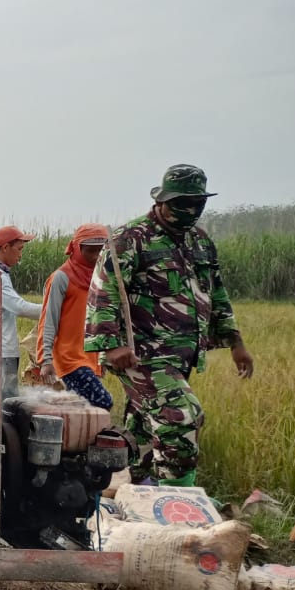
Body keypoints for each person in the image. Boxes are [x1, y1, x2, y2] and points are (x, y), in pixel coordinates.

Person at [86, 164, 254, 487]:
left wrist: (236, 343)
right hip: (140, 354)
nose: (190, 211)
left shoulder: (201, 243)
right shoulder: (131, 239)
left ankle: (128, 493)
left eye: (198, 203)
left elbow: (216, 292)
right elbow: (102, 290)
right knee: (181, 418)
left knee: (144, 432)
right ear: (162, 201)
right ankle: (178, 501)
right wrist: (110, 345)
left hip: (179, 357)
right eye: (182, 204)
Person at [36, 224, 113, 409]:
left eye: (100, 251)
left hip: (90, 359)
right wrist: (45, 360)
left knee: (83, 410)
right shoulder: (62, 278)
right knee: (103, 402)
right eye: (89, 251)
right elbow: (48, 319)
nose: (95, 257)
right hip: (69, 359)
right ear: (77, 249)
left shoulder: (102, 279)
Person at [0, 226, 43, 398]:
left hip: (3, 349)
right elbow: (20, 307)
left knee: (5, 400)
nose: (21, 255)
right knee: (6, 403)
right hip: (3, 351)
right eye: (19, 249)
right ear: (6, 247)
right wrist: (52, 310)